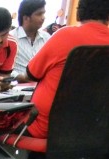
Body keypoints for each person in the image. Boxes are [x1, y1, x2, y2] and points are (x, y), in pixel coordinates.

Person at [26, 0, 109, 139]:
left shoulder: (65, 35)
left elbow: (32, 74)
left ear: (78, 13)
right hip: (93, 131)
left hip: (44, 128)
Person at [12, 0, 51, 81]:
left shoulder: (47, 38)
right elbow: (3, 69)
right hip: (17, 84)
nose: (43, 17)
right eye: (39, 14)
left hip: (42, 84)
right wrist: (20, 77)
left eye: (43, 13)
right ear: (26, 18)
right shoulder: (11, 38)